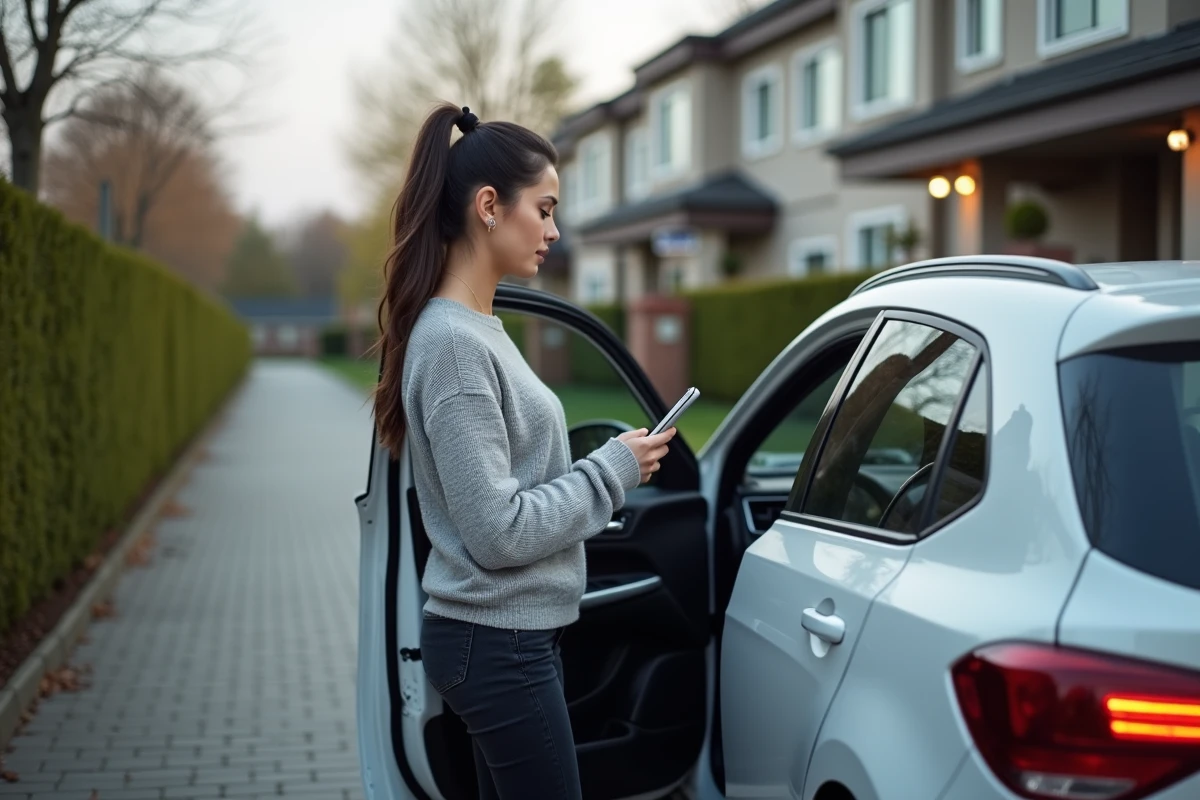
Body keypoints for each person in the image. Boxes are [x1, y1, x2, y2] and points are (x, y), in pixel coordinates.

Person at [369, 102, 677, 800]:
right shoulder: (453, 346)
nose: (554, 229)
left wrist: (606, 470)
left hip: (506, 639)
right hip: (496, 644)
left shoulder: (477, 331)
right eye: (543, 208)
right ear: (488, 206)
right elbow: (497, 530)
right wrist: (612, 470)